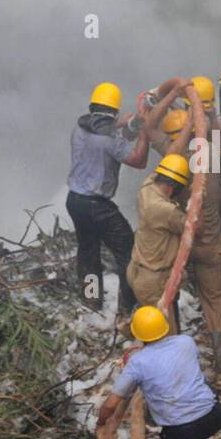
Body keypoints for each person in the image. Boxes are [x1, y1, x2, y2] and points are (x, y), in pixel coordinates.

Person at [144, 78, 221, 373]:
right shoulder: (211, 154)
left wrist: (170, 93)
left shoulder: (170, 159)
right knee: (215, 303)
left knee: (168, 297)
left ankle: (177, 362)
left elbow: (149, 126)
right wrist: (206, 114)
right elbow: (217, 135)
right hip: (208, 244)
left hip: (177, 245)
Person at [96, 306, 221, 439]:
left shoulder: (137, 363)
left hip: (182, 430)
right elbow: (166, 360)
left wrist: (101, 421)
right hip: (215, 415)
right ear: (164, 328)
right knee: (193, 386)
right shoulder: (186, 342)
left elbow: (111, 404)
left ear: (138, 335)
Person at [66, 82, 149, 317]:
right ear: (114, 111)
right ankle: (127, 306)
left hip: (74, 202)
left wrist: (123, 123)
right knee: (128, 252)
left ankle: (92, 300)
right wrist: (144, 131)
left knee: (88, 250)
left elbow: (102, 128)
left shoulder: (80, 128)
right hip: (97, 207)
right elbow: (138, 160)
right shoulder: (110, 139)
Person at [126, 153, 191, 330]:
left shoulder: (147, 187)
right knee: (165, 336)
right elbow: (195, 229)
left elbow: (164, 165)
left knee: (150, 325)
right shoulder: (165, 210)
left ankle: (132, 330)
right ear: (172, 188)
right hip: (154, 283)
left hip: (137, 270)